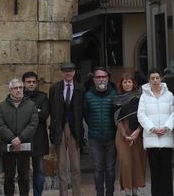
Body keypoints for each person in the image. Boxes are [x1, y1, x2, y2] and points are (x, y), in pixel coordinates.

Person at [0, 77, 39, 196]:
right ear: (10, 90)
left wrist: (20, 138)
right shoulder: (1, 106)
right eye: (16, 88)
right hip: (8, 146)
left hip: (24, 146)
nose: (19, 90)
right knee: (9, 177)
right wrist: (12, 138)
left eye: (21, 88)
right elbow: (0, 125)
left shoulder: (31, 105)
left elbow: (33, 124)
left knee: (24, 177)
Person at [138, 68, 174, 196]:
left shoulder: (169, 95)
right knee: (155, 172)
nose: (155, 80)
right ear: (149, 80)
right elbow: (141, 115)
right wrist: (152, 128)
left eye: (157, 78)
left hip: (166, 138)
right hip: (151, 139)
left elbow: (173, 113)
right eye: (152, 78)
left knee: (166, 171)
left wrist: (166, 127)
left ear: (161, 79)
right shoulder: (143, 96)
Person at [49, 61, 85, 196]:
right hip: (60, 128)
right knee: (61, 165)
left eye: (70, 70)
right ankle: (63, 193)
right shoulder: (54, 88)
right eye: (65, 71)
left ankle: (76, 193)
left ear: (74, 72)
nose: (68, 73)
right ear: (61, 73)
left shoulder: (80, 88)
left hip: (75, 128)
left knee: (75, 165)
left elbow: (83, 110)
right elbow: (52, 109)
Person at [85, 66, 118, 196]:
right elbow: (86, 115)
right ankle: (99, 193)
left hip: (111, 137)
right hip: (95, 138)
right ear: (94, 79)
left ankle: (110, 193)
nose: (101, 79)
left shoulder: (115, 94)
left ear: (108, 78)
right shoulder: (88, 96)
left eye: (103, 77)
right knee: (98, 169)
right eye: (98, 77)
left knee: (110, 169)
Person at [114, 72, 148, 196]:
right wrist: (125, 136)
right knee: (125, 163)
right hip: (123, 134)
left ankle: (135, 191)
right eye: (125, 82)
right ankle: (127, 191)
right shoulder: (117, 100)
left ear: (133, 84)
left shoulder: (140, 98)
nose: (127, 84)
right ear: (121, 84)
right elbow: (117, 120)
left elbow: (144, 116)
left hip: (138, 133)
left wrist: (137, 132)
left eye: (129, 82)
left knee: (137, 161)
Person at [22, 71, 51, 196]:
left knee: (39, 170)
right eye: (29, 82)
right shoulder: (19, 96)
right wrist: (35, 111)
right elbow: (18, 116)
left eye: (34, 82)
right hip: (23, 138)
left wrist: (28, 113)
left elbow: (44, 115)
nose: (31, 84)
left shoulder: (43, 97)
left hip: (39, 139)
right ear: (24, 83)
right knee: (23, 171)